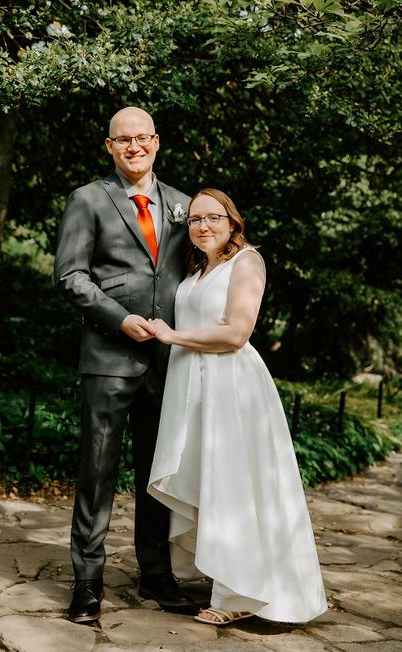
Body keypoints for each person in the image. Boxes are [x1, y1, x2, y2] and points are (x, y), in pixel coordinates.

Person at [147, 188, 328, 625]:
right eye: (193, 220)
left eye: (212, 217)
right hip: (192, 384)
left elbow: (235, 333)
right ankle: (223, 574)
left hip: (230, 385)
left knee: (235, 485)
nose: (202, 226)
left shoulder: (246, 261)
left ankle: (240, 596)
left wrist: (171, 336)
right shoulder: (196, 269)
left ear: (232, 222)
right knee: (211, 481)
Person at [54, 107, 194, 624]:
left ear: (156, 142)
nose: (134, 147)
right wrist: (120, 318)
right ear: (109, 146)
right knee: (96, 473)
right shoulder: (88, 200)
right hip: (109, 357)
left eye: (142, 138)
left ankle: (157, 576)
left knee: (158, 476)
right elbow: (71, 275)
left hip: (169, 362)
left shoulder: (184, 206)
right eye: (123, 140)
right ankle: (87, 584)